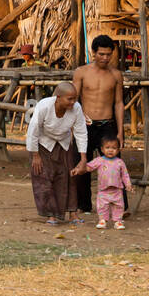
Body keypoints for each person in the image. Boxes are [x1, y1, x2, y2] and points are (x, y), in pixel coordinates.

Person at [73, 34, 127, 216]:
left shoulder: (116, 74)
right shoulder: (81, 72)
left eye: (108, 54)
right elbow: (73, 101)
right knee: (82, 163)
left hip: (107, 125)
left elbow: (119, 103)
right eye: (101, 54)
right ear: (93, 52)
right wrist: (76, 122)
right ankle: (83, 205)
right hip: (85, 125)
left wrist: (120, 132)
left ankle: (120, 206)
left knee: (114, 165)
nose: (105, 58)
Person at [27, 81, 89, 225]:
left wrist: (83, 158)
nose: (73, 102)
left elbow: (81, 132)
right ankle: (51, 215)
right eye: (69, 99)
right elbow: (33, 130)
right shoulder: (44, 106)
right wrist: (35, 155)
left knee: (69, 176)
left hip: (64, 143)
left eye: (75, 98)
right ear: (58, 97)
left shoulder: (76, 108)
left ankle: (73, 214)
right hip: (42, 144)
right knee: (44, 177)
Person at [86, 136, 132, 230]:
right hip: (103, 190)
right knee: (102, 205)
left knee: (118, 206)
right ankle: (103, 220)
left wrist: (128, 184)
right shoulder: (99, 160)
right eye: (107, 148)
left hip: (117, 190)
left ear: (118, 150)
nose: (110, 150)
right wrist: (80, 167)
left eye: (114, 148)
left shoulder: (120, 162)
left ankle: (118, 221)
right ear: (102, 149)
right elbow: (88, 167)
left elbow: (125, 175)